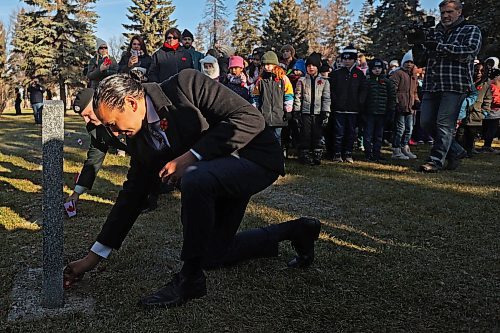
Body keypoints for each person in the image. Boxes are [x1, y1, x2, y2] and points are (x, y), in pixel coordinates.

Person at [63, 69, 321, 308]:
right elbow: (131, 197)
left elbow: (250, 119)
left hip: (254, 158)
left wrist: (192, 156)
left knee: (194, 178)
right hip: (214, 175)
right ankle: (297, 230)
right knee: (212, 253)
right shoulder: (139, 140)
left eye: (112, 123)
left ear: (131, 103)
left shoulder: (186, 85)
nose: (114, 133)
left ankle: (190, 280)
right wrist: (93, 257)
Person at [67, 88, 162, 212]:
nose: (86, 120)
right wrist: (76, 193)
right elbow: (94, 159)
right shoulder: (95, 129)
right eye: (83, 117)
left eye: (88, 114)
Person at [418, 0, 482, 172]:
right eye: (443, 13)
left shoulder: (470, 29)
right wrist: (418, 45)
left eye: (449, 12)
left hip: (455, 84)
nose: (445, 16)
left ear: (459, 12)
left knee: (444, 124)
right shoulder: (434, 32)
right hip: (432, 84)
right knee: (426, 122)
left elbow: (468, 52)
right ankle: (456, 150)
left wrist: (439, 47)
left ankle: (435, 161)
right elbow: (421, 60)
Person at [328, 44, 368, 163]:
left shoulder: (360, 74)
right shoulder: (336, 74)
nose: (346, 61)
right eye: (344, 59)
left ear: (354, 60)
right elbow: (331, 90)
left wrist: (359, 103)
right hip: (338, 109)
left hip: (353, 109)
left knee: (350, 133)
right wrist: (335, 102)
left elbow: (363, 90)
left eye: (349, 59)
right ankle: (337, 153)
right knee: (338, 132)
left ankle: (348, 153)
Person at [293, 52, 331, 165]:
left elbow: (326, 98)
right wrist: (296, 111)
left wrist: (326, 111)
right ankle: (304, 154)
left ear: (318, 67)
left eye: (313, 65)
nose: (311, 68)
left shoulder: (324, 81)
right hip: (305, 112)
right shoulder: (302, 81)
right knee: (305, 134)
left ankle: (317, 154)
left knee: (317, 134)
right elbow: (298, 96)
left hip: (318, 113)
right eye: (309, 66)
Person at [251, 51, 294, 144]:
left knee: (277, 137)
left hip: (279, 114)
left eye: (269, 64)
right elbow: (256, 96)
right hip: (265, 114)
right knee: (266, 138)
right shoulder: (261, 80)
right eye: (265, 64)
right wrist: (255, 110)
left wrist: (288, 110)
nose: (267, 67)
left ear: (275, 64)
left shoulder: (283, 79)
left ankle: (278, 155)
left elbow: (289, 95)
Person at [363, 59, 396, 162]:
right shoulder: (367, 81)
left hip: (382, 113)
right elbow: (363, 98)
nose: (377, 70)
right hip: (370, 113)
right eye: (374, 68)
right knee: (368, 134)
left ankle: (376, 153)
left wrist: (390, 111)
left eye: (379, 68)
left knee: (379, 135)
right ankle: (368, 154)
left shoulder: (387, 82)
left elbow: (392, 98)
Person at [390, 50, 419, 160]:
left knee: (409, 129)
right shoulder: (398, 74)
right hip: (400, 105)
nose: (409, 64)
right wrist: (396, 102)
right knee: (400, 128)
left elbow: (415, 91)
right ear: (403, 62)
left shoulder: (413, 76)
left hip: (410, 106)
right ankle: (396, 149)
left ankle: (404, 147)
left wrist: (416, 101)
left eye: (411, 62)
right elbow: (392, 89)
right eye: (407, 62)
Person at [481, 68, 500, 152]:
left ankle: (487, 145)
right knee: (491, 130)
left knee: (489, 129)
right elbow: (495, 100)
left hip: (492, 112)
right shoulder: (493, 86)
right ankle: (487, 145)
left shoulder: (491, 85)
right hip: (492, 112)